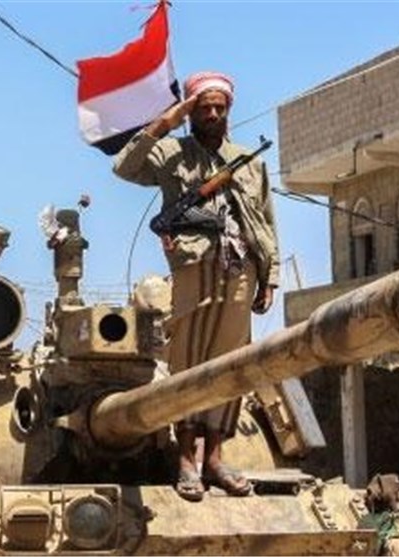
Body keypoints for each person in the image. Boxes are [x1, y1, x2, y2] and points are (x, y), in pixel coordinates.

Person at [113, 71, 280, 501]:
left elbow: (264, 220)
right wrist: (168, 121)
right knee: (189, 362)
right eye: (204, 107)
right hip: (193, 267)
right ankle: (186, 459)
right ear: (192, 111)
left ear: (229, 111)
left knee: (231, 365)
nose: (212, 114)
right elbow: (124, 167)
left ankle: (215, 460)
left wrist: (270, 277)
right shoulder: (172, 153)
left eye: (219, 107)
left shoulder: (249, 161)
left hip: (240, 268)